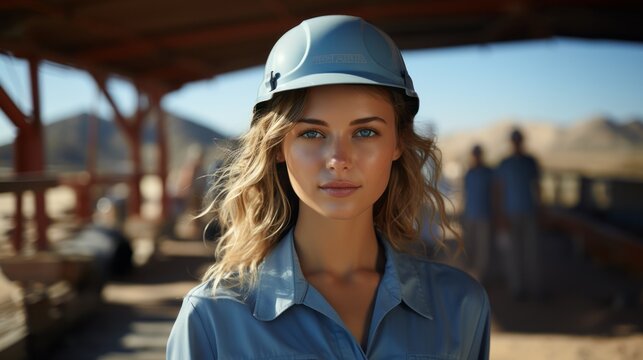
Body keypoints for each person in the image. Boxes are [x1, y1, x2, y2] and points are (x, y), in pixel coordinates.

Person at [167, 15, 490, 359]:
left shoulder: (461, 306)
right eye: (312, 133)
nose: (338, 158)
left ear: (398, 143)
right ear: (277, 147)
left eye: (365, 132)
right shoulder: (212, 319)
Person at [494, 128, 542, 300]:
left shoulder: (530, 162)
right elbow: (499, 190)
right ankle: (517, 289)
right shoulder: (505, 163)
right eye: (514, 140)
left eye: (518, 140)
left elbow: (537, 188)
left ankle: (534, 288)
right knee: (513, 253)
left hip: (529, 212)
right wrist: (500, 215)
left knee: (532, 252)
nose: (516, 143)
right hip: (510, 214)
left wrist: (541, 209)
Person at [462, 144, 494, 283]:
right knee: (470, 245)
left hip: (484, 215)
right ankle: (471, 274)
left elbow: (495, 193)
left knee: (483, 248)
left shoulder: (488, 173)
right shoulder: (469, 173)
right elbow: (466, 194)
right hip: (470, 215)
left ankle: (482, 276)